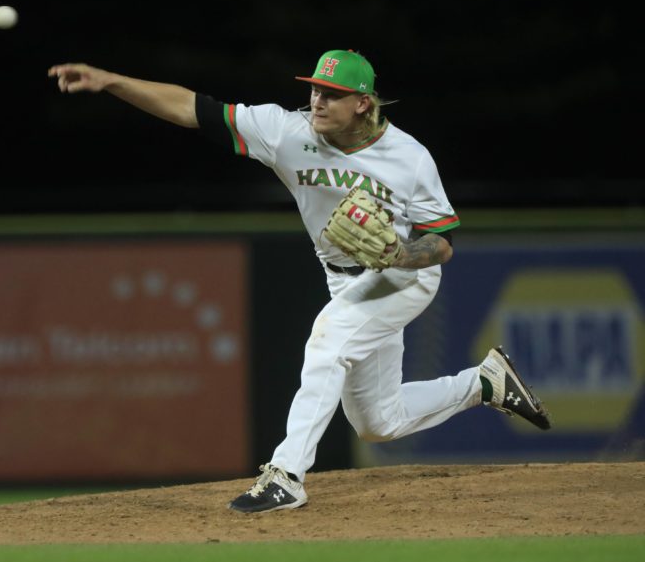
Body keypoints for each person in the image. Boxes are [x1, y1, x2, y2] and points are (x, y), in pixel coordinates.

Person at [48, 49, 551, 513]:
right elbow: (191, 108)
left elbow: (441, 241)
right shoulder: (286, 131)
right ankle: (484, 383)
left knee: (327, 343)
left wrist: (401, 251)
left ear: (362, 103)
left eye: (331, 94)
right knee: (379, 423)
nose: (318, 100)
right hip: (344, 280)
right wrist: (112, 81)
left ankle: (287, 474)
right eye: (314, 89)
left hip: (402, 277)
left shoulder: (409, 157)